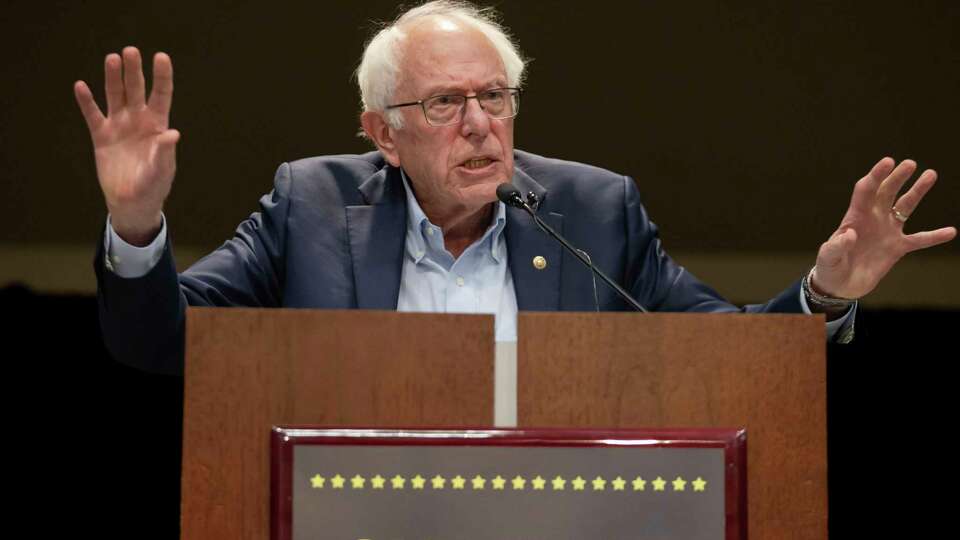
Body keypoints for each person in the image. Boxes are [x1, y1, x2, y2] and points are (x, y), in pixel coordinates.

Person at [74, 1, 955, 375]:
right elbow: (158, 346)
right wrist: (137, 219)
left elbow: (724, 363)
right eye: (445, 102)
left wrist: (825, 293)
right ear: (381, 132)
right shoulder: (307, 204)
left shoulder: (595, 212)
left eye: (494, 96)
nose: (480, 123)